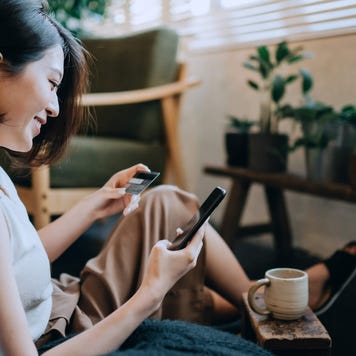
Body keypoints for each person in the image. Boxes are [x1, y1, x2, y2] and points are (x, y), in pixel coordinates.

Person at [0, 1, 355, 355]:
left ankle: (249, 297)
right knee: (169, 226)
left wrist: (93, 207)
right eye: (51, 82)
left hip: (59, 298)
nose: (55, 106)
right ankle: (258, 300)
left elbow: (18, 261)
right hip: (63, 334)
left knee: (163, 203)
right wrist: (150, 292)